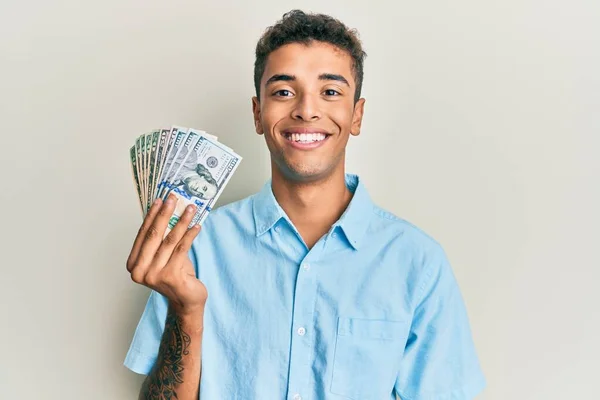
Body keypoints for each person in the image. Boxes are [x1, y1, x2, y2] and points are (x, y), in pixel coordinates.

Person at [124, 10, 486, 400]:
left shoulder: (418, 262)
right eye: (283, 91)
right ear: (258, 113)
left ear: (356, 115)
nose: (306, 110)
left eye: (330, 92)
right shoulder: (196, 245)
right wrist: (185, 311)